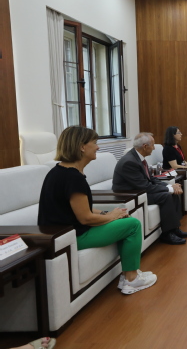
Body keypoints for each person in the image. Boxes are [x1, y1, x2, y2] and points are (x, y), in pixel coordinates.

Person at [38, 126, 157, 295]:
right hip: (72, 237)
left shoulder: (59, 171)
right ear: (82, 147)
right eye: (94, 143)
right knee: (133, 225)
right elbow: (86, 218)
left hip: (67, 233)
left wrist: (106, 214)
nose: (98, 147)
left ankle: (127, 275)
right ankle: (131, 279)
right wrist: (112, 216)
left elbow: (81, 208)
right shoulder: (73, 178)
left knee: (124, 218)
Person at [113, 132, 187, 245]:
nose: (154, 148)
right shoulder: (129, 162)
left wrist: (169, 186)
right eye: (153, 145)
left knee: (173, 193)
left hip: (140, 191)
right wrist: (169, 189)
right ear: (145, 146)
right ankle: (167, 234)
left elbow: (151, 179)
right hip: (131, 195)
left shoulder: (138, 157)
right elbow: (144, 186)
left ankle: (174, 229)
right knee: (166, 196)